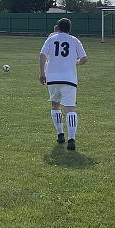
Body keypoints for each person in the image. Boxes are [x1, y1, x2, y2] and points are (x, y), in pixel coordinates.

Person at [39, 18, 88, 151]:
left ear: (58, 27)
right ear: (69, 28)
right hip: (69, 79)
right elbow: (84, 59)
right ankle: (71, 139)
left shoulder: (51, 38)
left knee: (55, 105)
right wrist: (75, 62)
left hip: (52, 78)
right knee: (70, 109)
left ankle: (60, 134)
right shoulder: (75, 40)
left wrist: (42, 73)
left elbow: (42, 55)